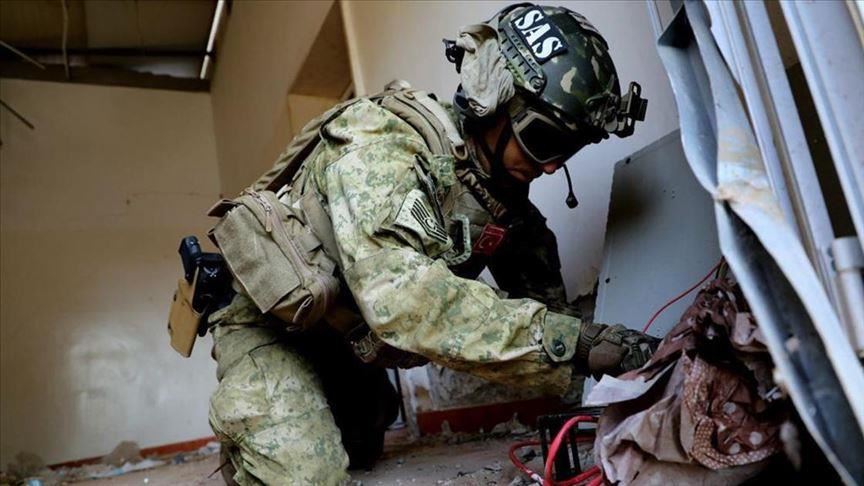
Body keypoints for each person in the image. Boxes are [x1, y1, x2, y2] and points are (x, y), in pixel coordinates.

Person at [201, 4, 654, 484]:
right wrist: (576, 345)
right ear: (491, 98)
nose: (550, 166)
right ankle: (248, 420)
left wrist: (616, 364)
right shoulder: (380, 142)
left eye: (569, 149)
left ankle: (327, 401)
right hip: (271, 324)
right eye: (543, 139)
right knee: (307, 475)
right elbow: (400, 301)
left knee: (360, 444)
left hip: (343, 339)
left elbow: (547, 309)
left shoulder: (500, 199)